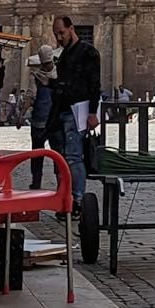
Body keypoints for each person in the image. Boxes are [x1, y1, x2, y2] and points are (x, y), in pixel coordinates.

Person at [47, 15, 100, 214]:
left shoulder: (88, 53)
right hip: (60, 111)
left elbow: (94, 85)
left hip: (76, 112)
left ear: (71, 29)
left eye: (61, 33)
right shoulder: (63, 55)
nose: (59, 37)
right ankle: (64, 198)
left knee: (73, 157)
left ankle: (77, 200)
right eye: (56, 34)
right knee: (60, 159)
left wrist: (92, 113)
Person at [27, 44, 56, 191]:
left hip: (41, 120)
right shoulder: (59, 74)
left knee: (37, 153)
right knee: (58, 153)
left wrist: (21, 115)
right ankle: (62, 181)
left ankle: (36, 181)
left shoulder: (36, 76)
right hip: (54, 120)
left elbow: (30, 97)